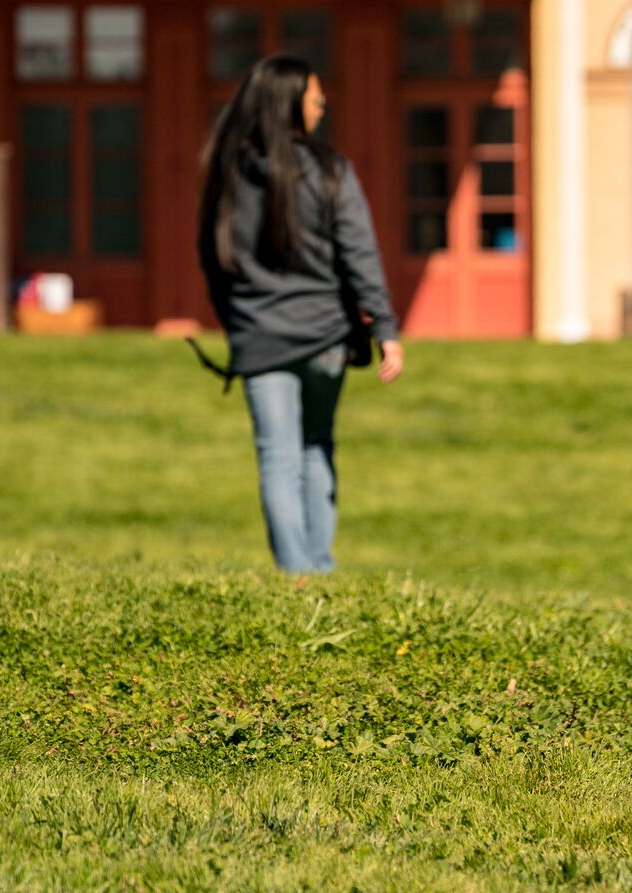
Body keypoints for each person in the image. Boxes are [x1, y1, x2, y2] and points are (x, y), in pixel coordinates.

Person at [197, 55, 403, 574]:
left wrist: (236, 321)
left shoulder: (227, 170)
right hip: (326, 339)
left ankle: (297, 578)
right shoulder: (331, 169)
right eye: (315, 98)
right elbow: (359, 252)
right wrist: (385, 328)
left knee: (277, 459)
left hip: (259, 340)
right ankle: (320, 568)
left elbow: (211, 256)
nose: (323, 105)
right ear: (290, 103)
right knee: (315, 446)